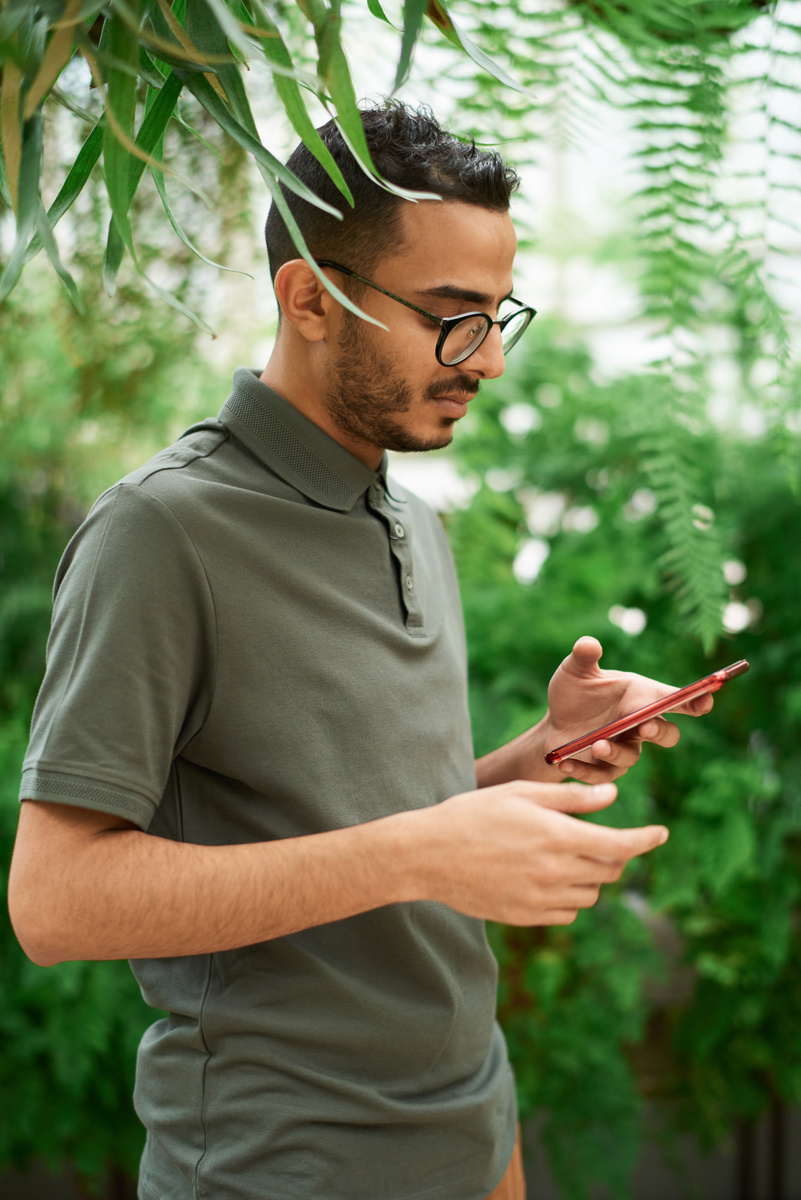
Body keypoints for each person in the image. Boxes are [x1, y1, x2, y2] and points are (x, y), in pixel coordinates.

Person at [9, 103, 712, 1200]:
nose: (484, 361)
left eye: (497, 316)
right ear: (310, 299)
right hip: (271, 1173)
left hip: (472, 1140)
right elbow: (55, 904)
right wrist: (422, 854)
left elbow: (376, 833)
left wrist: (535, 759)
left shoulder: (412, 521)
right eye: (449, 316)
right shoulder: (162, 533)